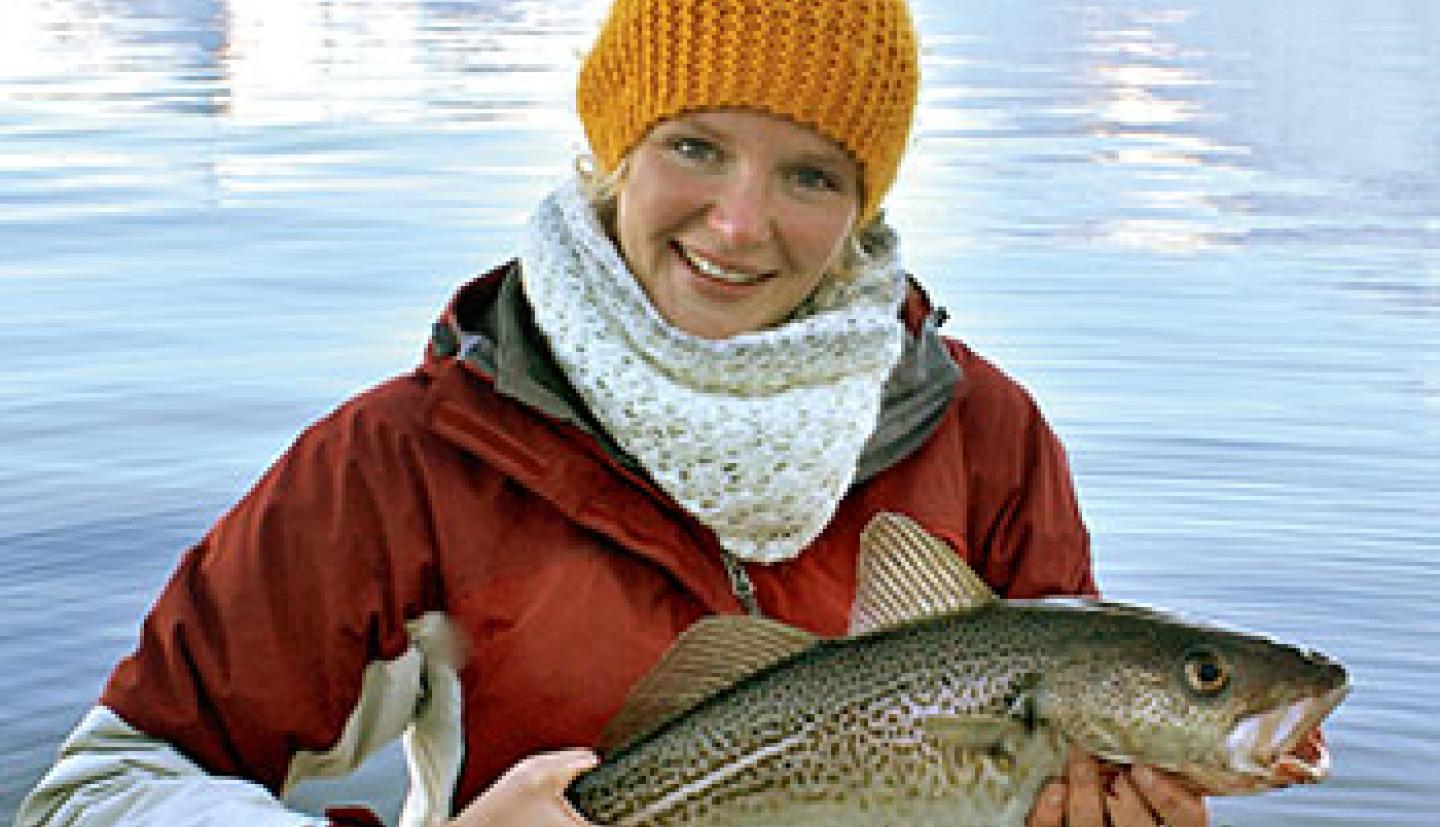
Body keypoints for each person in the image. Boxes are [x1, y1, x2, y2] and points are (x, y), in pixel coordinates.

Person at [16, 0, 1211, 825]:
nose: (740, 225)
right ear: (613, 152)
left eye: (811, 174)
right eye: (695, 146)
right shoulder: (403, 461)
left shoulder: (985, 437)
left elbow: (1073, 712)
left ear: (865, 203)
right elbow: (102, 789)